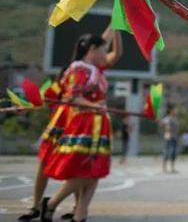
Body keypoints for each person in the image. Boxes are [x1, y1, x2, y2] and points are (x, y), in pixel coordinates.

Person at [18, 28, 121, 222]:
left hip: (85, 119)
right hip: (68, 118)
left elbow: (104, 43)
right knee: (49, 161)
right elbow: (55, 95)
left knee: (81, 164)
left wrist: (116, 22)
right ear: (92, 49)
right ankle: (38, 205)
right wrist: (30, 103)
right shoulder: (76, 69)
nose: (103, 51)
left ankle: (76, 210)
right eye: (100, 48)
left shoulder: (95, 69)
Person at [161, 105, 179, 173]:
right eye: (175, 109)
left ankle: (172, 168)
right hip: (168, 137)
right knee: (167, 152)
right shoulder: (168, 118)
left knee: (173, 153)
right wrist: (167, 130)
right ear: (171, 111)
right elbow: (163, 124)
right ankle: (164, 167)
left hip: (174, 137)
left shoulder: (175, 118)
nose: (176, 111)